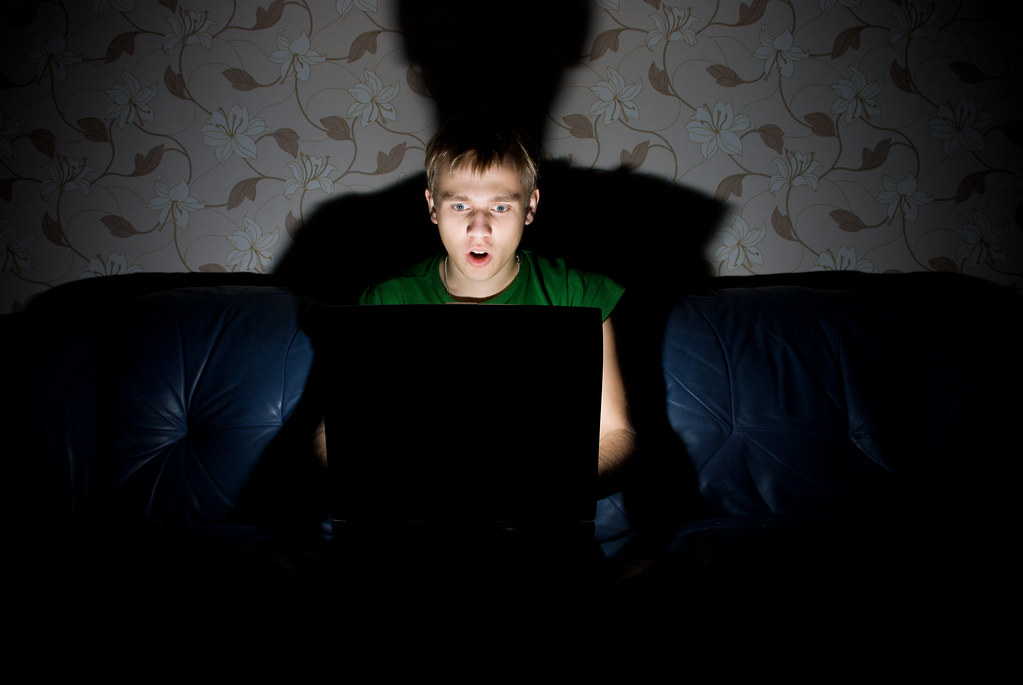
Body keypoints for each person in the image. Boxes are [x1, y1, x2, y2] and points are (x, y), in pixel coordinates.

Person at [315, 114, 636, 495]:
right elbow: (330, 433)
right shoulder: (386, 300)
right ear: (433, 206)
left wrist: (542, 488)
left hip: (538, 518)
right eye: (460, 206)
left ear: (530, 207)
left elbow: (616, 432)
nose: (478, 229)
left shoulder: (578, 294)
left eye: (500, 208)